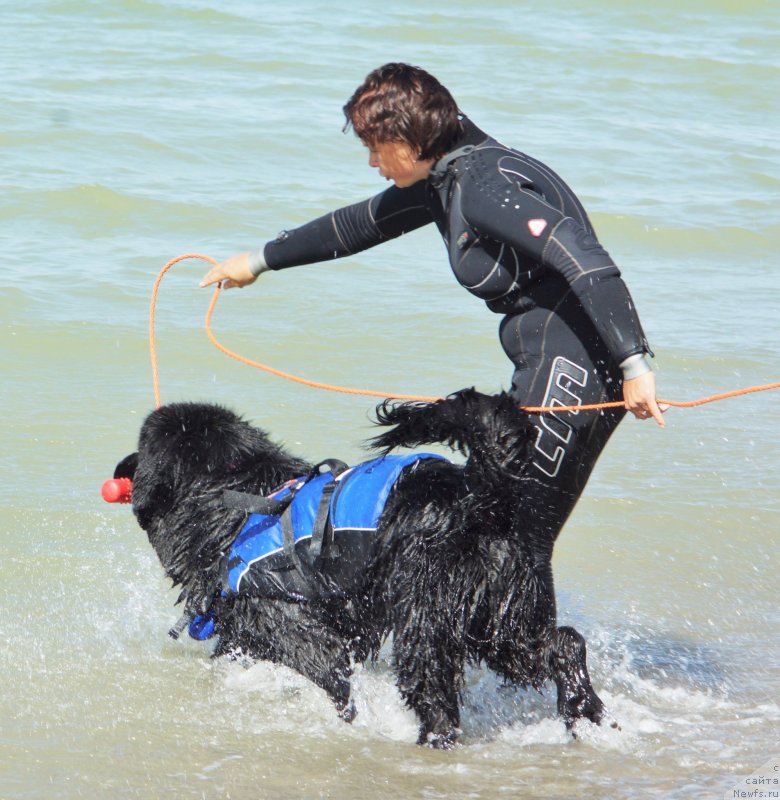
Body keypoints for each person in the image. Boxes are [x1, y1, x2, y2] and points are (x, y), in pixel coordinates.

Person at [200, 62, 666, 547]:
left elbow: (587, 261)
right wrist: (256, 261)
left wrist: (635, 364)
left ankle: (534, 627)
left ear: (405, 139)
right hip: (552, 364)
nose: (371, 162)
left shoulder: (486, 185)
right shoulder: (450, 175)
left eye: (373, 148)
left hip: (575, 373)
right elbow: (358, 224)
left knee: (511, 540)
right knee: (494, 537)